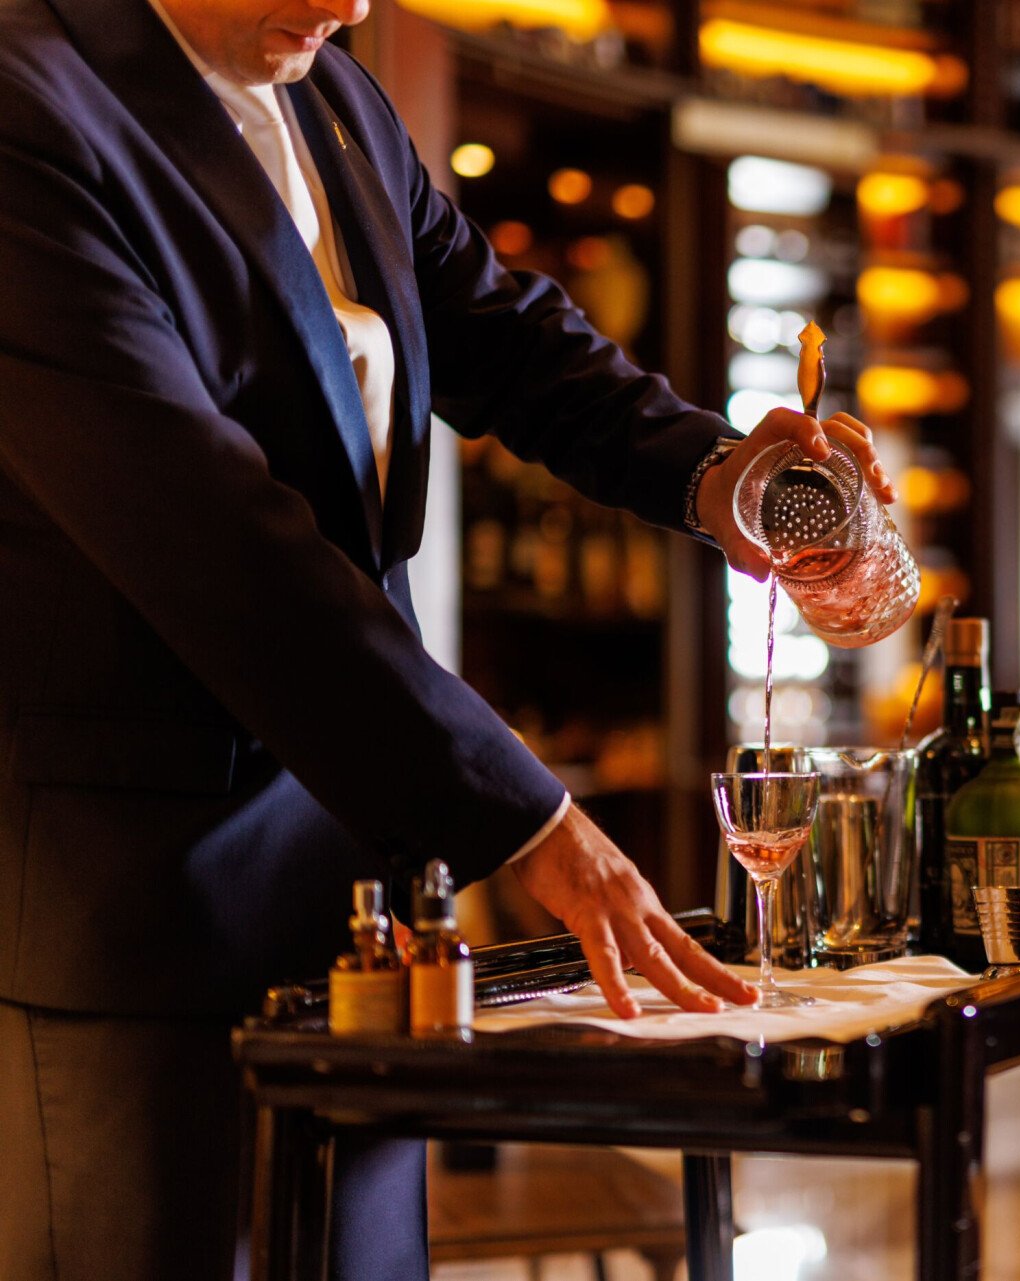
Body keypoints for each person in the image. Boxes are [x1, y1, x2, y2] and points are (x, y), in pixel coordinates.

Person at [0, 0, 897, 1276]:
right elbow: (213, 541)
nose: (352, 7)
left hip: (358, 908)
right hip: (142, 913)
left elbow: (521, 346)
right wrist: (530, 821)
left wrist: (729, 481)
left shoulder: (342, 103)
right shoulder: (30, 102)